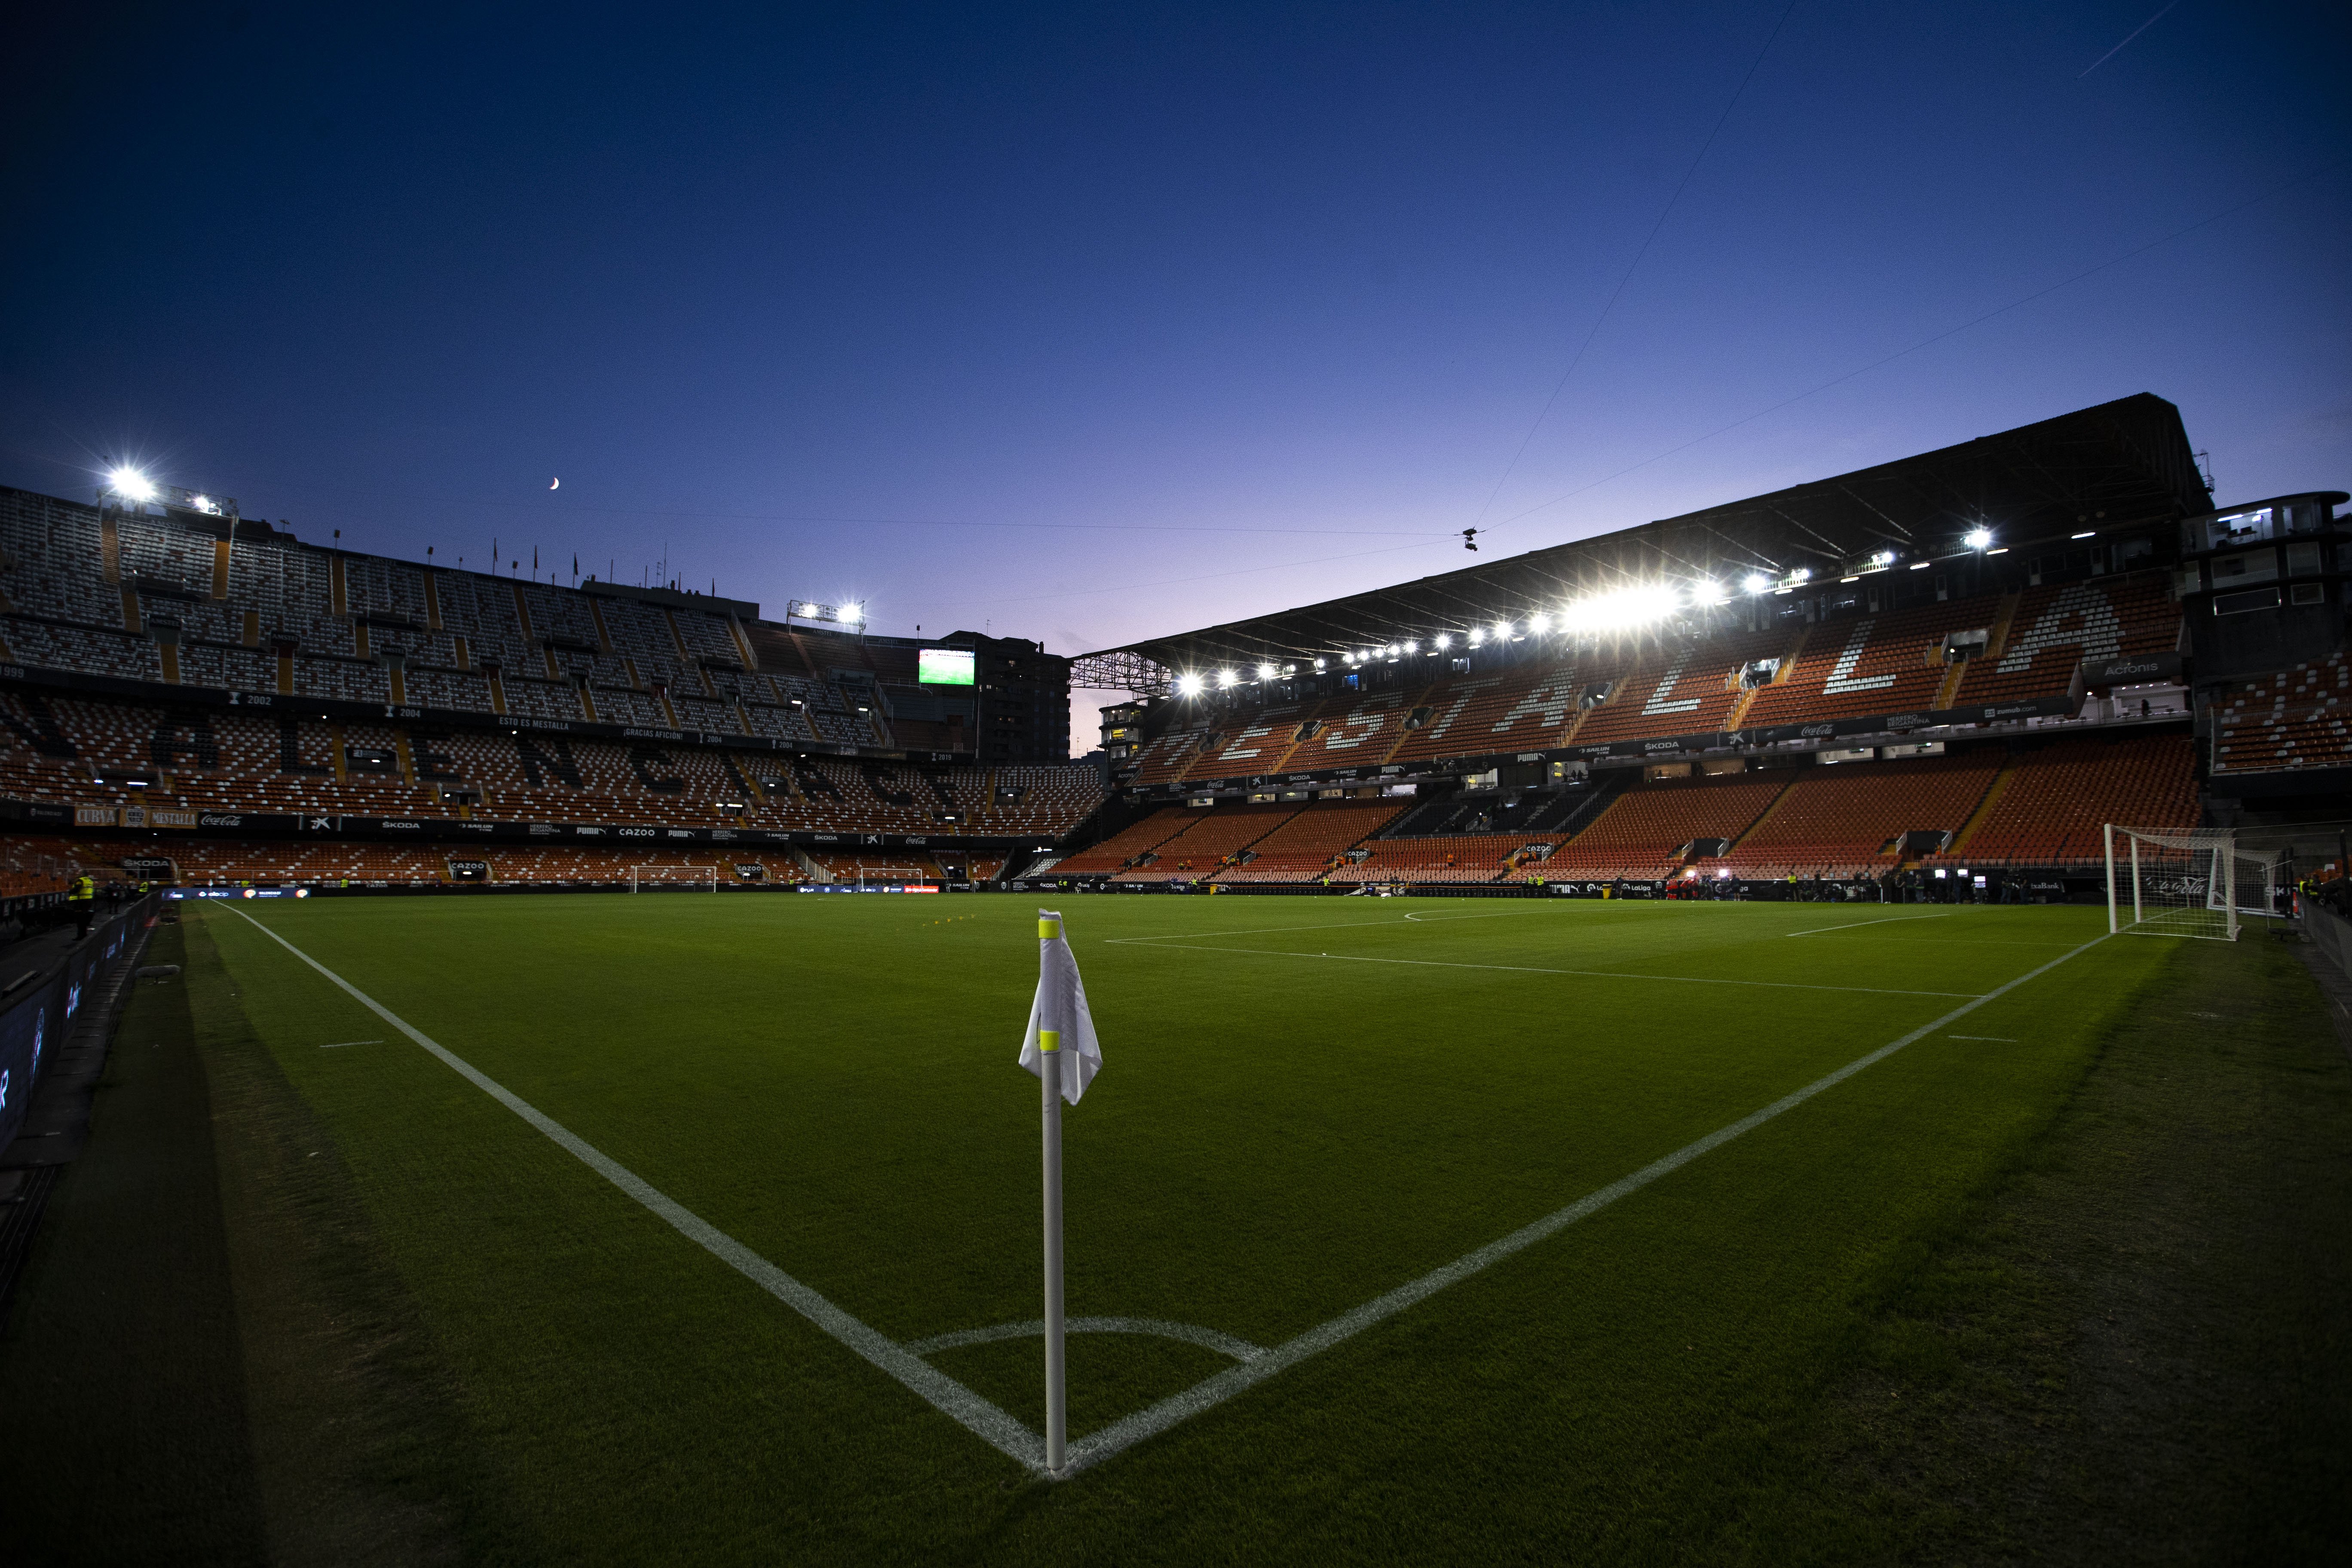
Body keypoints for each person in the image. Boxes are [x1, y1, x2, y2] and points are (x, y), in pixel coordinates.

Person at [67, 871, 95, 938]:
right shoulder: (90, 881)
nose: (78, 874)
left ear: (82, 874)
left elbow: (77, 890)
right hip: (88, 901)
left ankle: (80, 936)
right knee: (83, 918)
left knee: (80, 920)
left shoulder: (80, 880)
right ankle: (84, 934)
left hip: (81, 902)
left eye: (79, 873)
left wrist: (69, 892)